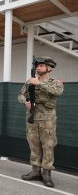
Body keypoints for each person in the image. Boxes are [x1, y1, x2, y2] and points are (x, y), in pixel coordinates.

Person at [17, 56, 63, 188]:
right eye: (37, 65)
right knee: (33, 145)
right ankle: (35, 171)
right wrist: (25, 102)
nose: (38, 67)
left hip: (48, 120)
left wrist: (39, 84)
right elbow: (20, 94)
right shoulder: (29, 81)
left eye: (41, 65)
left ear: (49, 68)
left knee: (48, 147)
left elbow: (58, 92)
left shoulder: (56, 82)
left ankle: (47, 174)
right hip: (32, 118)